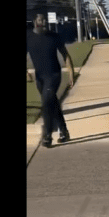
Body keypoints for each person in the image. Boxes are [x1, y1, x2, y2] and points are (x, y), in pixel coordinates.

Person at [27, 14, 75, 147]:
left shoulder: (54, 37)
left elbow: (66, 56)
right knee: (52, 103)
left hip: (54, 75)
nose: (42, 21)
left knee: (47, 103)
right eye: (39, 19)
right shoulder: (29, 37)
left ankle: (47, 135)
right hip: (40, 77)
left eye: (44, 19)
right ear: (35, 21)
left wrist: (71, 74)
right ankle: (64, 132)